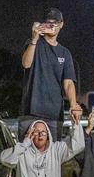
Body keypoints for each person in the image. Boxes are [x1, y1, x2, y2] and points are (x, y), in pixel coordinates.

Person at [20, 8, 82, 141]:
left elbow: (68, 83)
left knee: (52, 157)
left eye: (55, 23)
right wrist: (34, 39)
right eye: (48, 23)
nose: (52, 26)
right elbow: (26, 64)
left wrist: (73, 104)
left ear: (61, 24)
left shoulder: (65, 53)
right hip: (30, 111)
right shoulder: (33, 43)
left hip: (54, 114)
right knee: (26, 156)